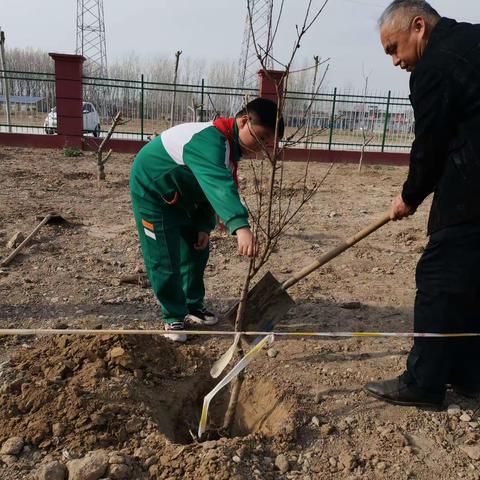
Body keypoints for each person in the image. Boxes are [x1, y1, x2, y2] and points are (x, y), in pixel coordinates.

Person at [364, 0, 480, 407]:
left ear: (418, 26)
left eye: (393, 48)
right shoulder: (472, 40)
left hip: (472, 190)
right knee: (471, 282)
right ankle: (470, 375)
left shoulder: (435, 67)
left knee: (441, 277)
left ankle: (424, 383)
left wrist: (409, 196)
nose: (394, 61)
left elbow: (430, 145)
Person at [130, 98, 284, 342]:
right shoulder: (209, 142)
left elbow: (205, 188)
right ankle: (173, 317)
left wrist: (203, 225)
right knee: (164, 257)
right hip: (154, 193)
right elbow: (217, 185)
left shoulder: (228, 149)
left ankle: (192, 306)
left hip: (184, 196)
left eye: (268, 142)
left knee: (197, 249)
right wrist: (240, 226)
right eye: (262, 137)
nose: (262, 147)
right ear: (244, 122)